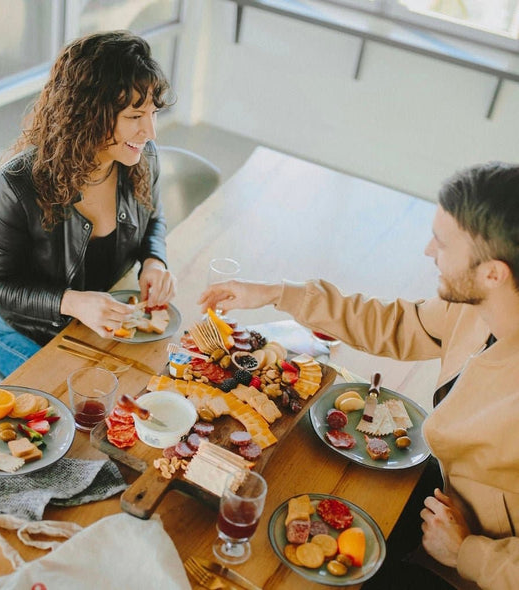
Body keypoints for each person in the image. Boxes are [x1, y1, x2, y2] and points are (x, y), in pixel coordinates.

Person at [199, 161, 519, 590]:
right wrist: (276, 293)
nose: (427, 250)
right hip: (448, 500)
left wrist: (467, 552)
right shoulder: (481, 307)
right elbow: (399, 324)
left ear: (493, 272)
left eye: (441, 243)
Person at [0, 30, 177, 376]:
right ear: (88, 114)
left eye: (153, 113)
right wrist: (71, 302)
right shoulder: (17, 185)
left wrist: (154, 260)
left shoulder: (141, 159)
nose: (151, 132)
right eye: (134, 117)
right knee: (88, 412)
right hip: (27, 331)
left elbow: (153, 217)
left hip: (98, 319)